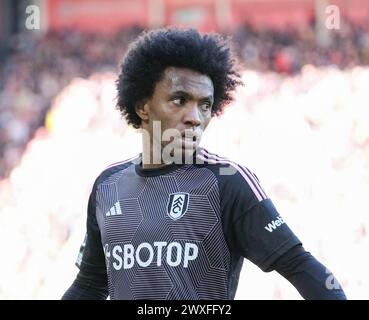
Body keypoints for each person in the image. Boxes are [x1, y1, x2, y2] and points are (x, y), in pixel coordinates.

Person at [62, 28, 346, 300]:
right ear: (142, 107)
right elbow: (90, 284)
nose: (195, 117)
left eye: (205, 105)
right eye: (179, 99)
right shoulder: (108, 185)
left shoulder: (226, 181)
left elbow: (301, 267)